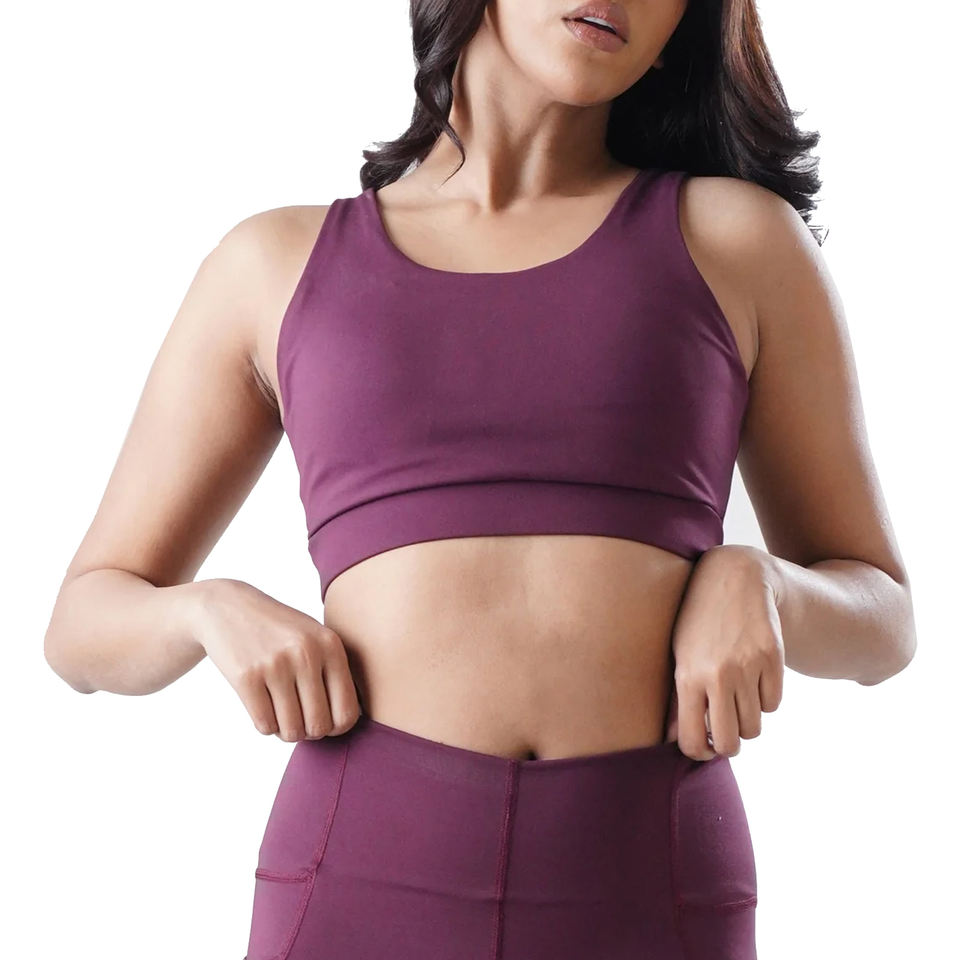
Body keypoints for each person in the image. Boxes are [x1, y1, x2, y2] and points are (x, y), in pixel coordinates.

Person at [43, 2, 916, 958]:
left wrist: (766, 584)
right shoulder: (273, 264)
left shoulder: (740, 244)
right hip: (355, 882)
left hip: (653, 886)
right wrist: (207, 611)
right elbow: (83, 622)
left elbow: (884, 617)